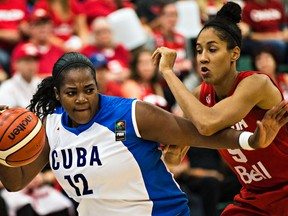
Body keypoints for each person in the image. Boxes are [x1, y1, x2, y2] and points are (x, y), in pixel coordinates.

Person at [0, 52, 287, 216]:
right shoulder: (50, 127)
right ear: (57, 94)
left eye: (89, 90)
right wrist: (2, 150)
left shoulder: (133, 113)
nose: (82, 99)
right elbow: (16, 181)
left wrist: (250, 140)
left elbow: (197, 134)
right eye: (71, 93)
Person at [152, 2, 288, 215]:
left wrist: (168, 73)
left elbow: (208, 124)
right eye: (198, 50)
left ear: (235, 54)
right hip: (254, 194)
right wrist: (170, 148)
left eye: (212, 49)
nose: (203, 57)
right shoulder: (200, 96)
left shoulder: (256, 84)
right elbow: (174, 160)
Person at [0, 42, 41, 108]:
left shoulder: (40, 84)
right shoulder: (7, 88)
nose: (32, 64)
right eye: (27, 60)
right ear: (15, 63)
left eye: (34, 60)